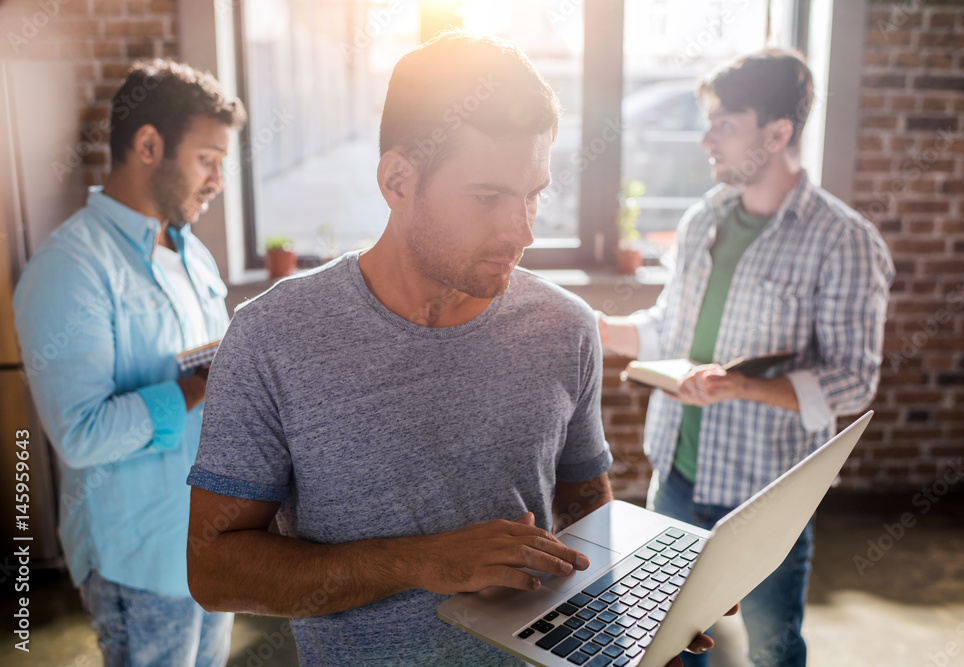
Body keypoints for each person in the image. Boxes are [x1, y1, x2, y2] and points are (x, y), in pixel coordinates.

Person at [185, 31, 727, 667]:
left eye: (534, 195)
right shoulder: (272, 337)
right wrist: (422, 561)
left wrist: (643, 608)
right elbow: (215, 570)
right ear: (397, 180)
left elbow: (585, 506)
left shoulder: (565, 326)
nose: (522, 230)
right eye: (488, 197)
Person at [598, 49, 894, 667]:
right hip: (675, 478)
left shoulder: (844, 240)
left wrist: (742, 388)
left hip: (765, 499)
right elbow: (669, 331)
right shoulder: (703, 217)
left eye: (724, 124)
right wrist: (600, 328)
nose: (706, 138)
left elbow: (853, 380)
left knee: (773, 650)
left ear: (778, 133)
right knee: (673, 649)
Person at [14, 60, 245, 666]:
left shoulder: (192, 255)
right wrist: (198, 386)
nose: (218, 179)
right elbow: (83, 435)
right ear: (149, 144)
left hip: (209, 547)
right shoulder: (72, 267)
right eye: (207, 159)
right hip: (140, 562)